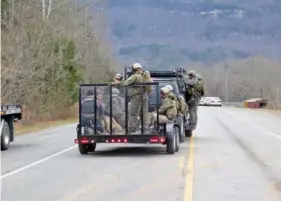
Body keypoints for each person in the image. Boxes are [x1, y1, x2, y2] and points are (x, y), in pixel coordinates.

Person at [111, 62, 150, 134]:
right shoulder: (143, 76)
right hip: (145, 96)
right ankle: (145, 130)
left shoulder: (135, 76)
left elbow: (126, 83)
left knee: (133, 113)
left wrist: (117, 82)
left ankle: (130, 129)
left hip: (137, 96)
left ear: (134, 69)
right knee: (144, 114)